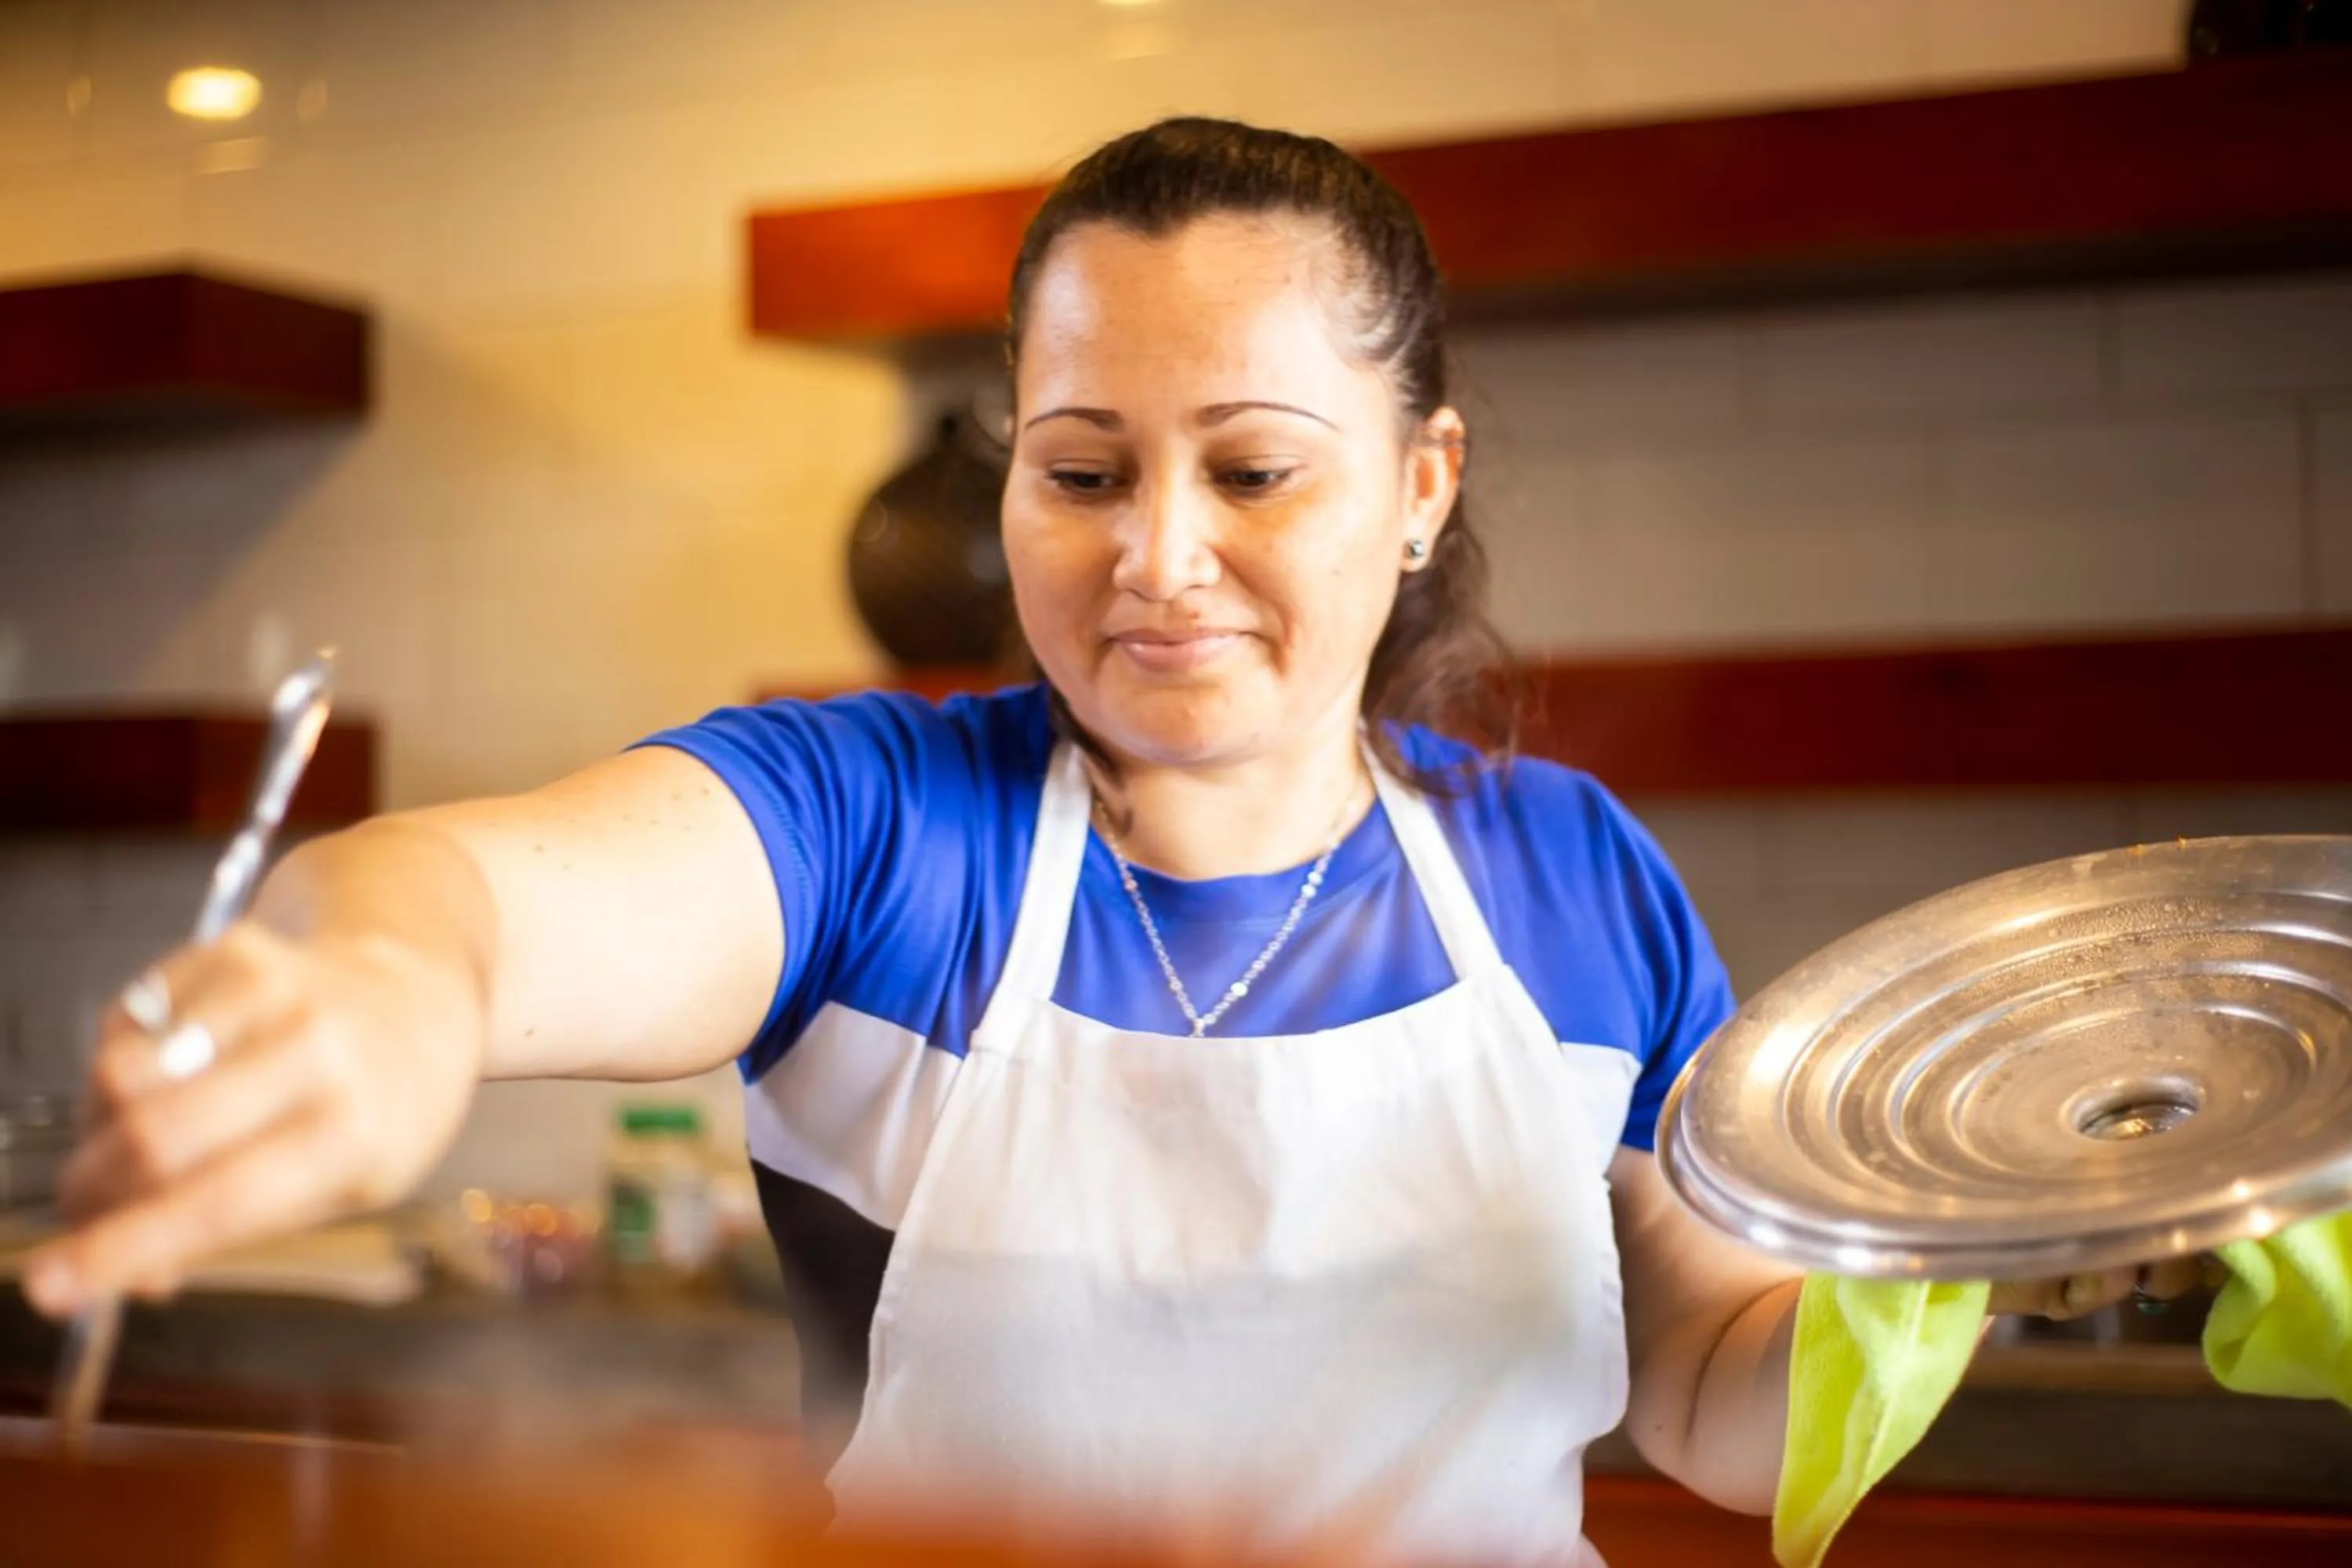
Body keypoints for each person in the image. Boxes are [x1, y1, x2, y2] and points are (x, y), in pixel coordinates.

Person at [26, 119, 2201, 1564]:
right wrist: (377, 987)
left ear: (1419, 482)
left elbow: (1718, 1388)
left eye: (1254, 471)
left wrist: (1995, 1246)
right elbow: (479, 901)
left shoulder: (1574, 878)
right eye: (1083, 473)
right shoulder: (886, 828)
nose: (1159, 560)